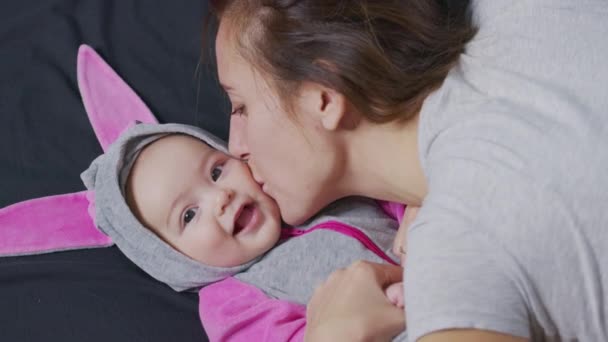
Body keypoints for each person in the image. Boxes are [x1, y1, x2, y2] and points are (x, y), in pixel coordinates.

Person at [211, 0, 608, 341]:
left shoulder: (457, 268)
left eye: (241, 106)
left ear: (323, 98)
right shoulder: (528, 11)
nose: (235, 147)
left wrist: (332, 335)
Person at [81, 122, 407, 341]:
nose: (221, 198)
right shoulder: (231, 301)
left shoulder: (305, 189)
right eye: (189, 215)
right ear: (173, 259)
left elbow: (383, 186)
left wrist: (415, 213)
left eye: (217, 171)